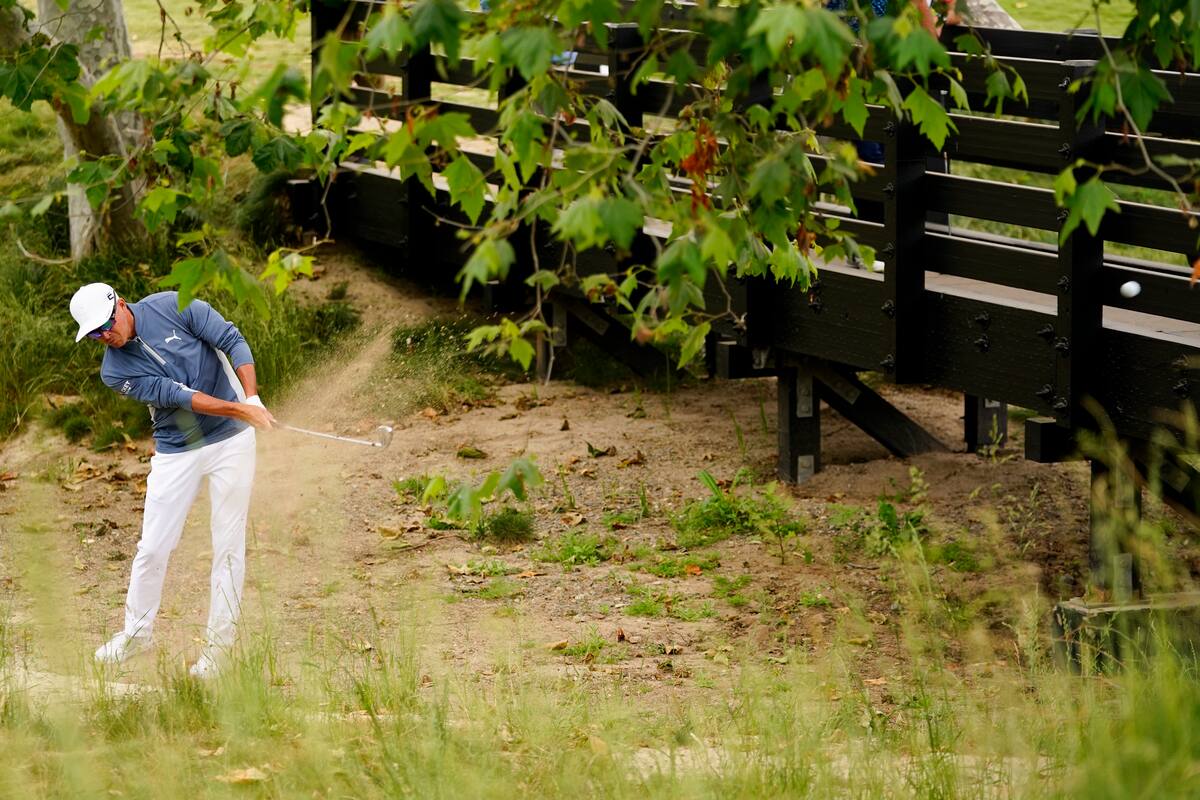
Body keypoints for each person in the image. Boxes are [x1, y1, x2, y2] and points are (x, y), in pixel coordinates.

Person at [69, 283, 277, 678]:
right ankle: (137, 635)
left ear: (122, 305)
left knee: (228, 548)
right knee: (152, 548)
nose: (105, 337)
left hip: (231, 443)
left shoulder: (175, 306)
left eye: (106, 326)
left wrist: (252, 400)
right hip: (177, 450)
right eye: (94, 334)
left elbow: (232, 339)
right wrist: (240, 409)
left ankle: (218, 654)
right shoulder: (114, 371)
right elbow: (178, 395)